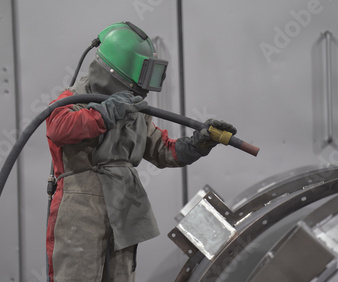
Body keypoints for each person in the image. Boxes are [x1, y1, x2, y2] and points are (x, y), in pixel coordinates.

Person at [45, 21, 237, 282]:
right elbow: (58, 128)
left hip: (122, 212)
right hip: (80, 213)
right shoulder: (71, 101)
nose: (143, 88)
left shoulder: (132, 110)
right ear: (114, 72)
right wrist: (103, 114)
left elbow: (164, 151)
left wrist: (198, 144)